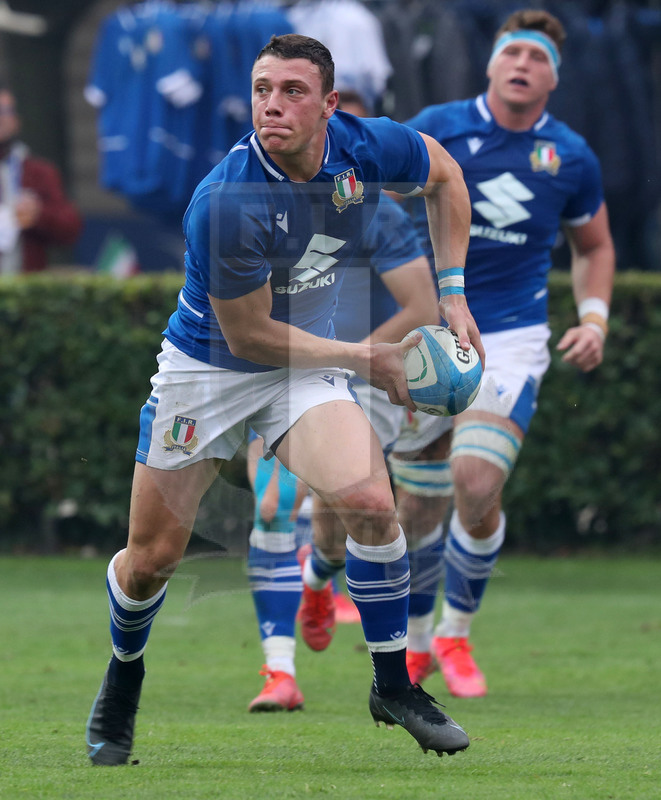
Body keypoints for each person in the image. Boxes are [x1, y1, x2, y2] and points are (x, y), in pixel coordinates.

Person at [85, 33, 483, 766]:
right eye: (263, 89)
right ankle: (122, 676)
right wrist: (369, 359)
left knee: (369, 503)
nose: (272, 104)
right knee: (152, 559)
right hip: (207, 372)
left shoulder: (364, 147)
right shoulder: (226, 199)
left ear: (329, 103)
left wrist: (452, 296)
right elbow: (249, 338)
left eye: (292, 91)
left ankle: (393, 685)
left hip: (305, 368)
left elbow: (446, 176)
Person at [386, 8, 615, 697]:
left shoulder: (569, 155)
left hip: (510, 336)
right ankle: (419, 644)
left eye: (537, 57)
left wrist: (594, 320)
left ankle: (455, 632)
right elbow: (378, 205)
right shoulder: (440, 127)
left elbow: (594, 246)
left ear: (554, 75)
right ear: (489, 63)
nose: (522, 64)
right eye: (512, 52)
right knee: (413, 513)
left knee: (477, 481)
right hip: (428, 330)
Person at [245, 88, 440, 712]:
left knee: (342, 525)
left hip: (357, 376)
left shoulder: (375, 209)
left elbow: (421, 307)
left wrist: (357, 361)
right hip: (275, 371)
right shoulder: (253, 195)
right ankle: (279, 672)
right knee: (274, 503)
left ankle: (318, 580)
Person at [0, 86, 82, 275]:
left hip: (25, 287)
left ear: (16, 121)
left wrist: (39, 214)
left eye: (5, 111)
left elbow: (70, 227)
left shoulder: (38, 172)